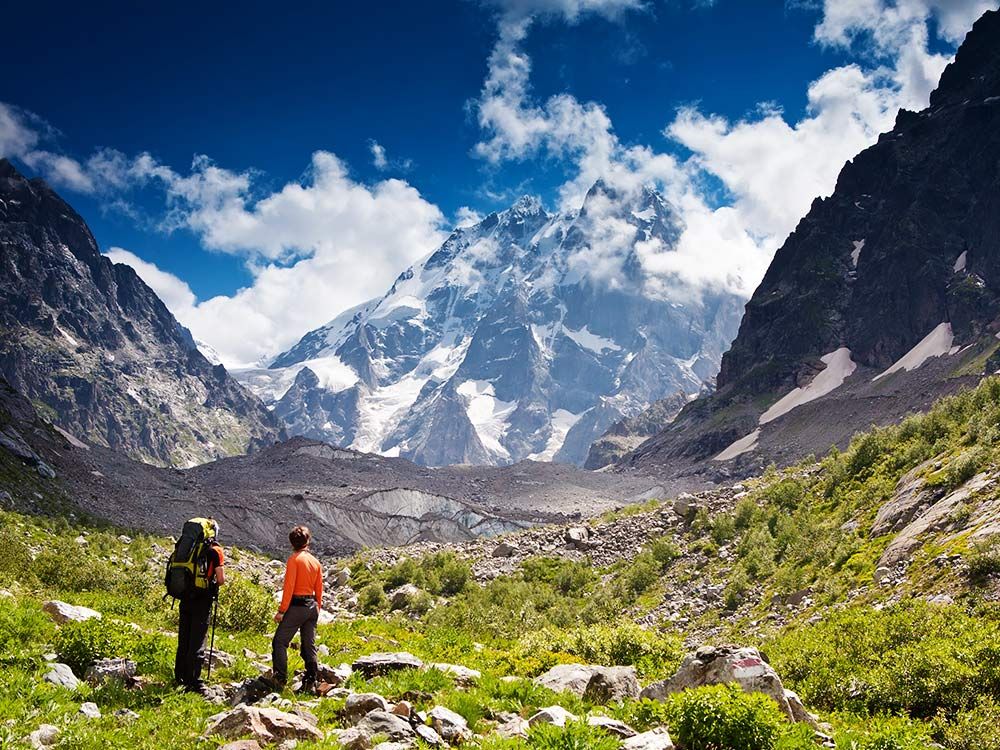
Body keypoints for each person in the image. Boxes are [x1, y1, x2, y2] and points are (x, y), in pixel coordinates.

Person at [174, 518, 225, 693]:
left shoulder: (186, 546)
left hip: (185, 596)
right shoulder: (215, 550)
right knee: (198, 639)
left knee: (184, 637)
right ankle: (193, 681)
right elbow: (221, 580)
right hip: (202, 599)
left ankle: (179, 675)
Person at [271, 525, 324, 691]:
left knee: (279, 641)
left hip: (296, 605)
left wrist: (281, 611)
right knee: (309, 645)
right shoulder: (315, 562)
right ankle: (311, 681)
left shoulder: (294, 559)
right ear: (307, 541)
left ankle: (279, 679)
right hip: (312, 606)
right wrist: (317, 608)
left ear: (292, 542)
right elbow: (319, 589)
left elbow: (289, 587)